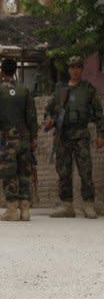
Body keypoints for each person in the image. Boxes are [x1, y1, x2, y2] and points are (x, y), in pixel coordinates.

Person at [0, 57, 38, 222]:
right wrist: (34, 138)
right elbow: (32, 116)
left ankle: (12, 210)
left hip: (8, 139)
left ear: (2, 72)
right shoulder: (24, 90)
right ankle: (25, 210)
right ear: (15, 71)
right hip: (25, 137)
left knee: (9, 173)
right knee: (24, 172)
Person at [44, 55, 104, 219]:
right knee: (63, 170)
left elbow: (99, 113)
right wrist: (48, 120)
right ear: (68, 69)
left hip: (81, 135)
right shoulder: (59, 88)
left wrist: (101, 134)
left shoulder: (88, 88)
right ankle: (66, 205)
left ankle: (89, 204)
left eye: (78, 67)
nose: (75, 70)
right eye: (72, 67)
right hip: (63, 135)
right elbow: (48, 109)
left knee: (85, 170)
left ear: (81, 69)